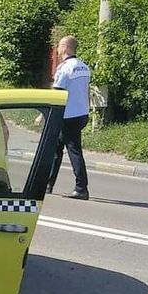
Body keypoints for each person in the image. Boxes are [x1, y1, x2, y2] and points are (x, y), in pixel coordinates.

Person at [47, 35, 91, 200]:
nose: (58, 49)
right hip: (82, 114)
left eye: (59, 46)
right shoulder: (84, 67)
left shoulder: (64, 68)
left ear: (65, 47)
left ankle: (81, 189)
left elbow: (57, 93)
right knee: (56, 148)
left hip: (68, 116)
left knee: (73, 151)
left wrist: (44, 115)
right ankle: (48, 184)